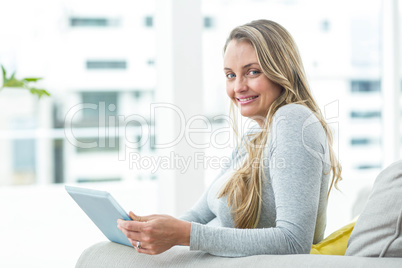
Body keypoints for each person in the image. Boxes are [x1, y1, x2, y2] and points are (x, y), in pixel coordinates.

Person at [117, 19, 342, 257]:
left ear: (282, 70)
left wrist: (184, 235)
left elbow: (293, 241)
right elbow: (198, 216)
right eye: (230, 75)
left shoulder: (294, 120)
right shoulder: (253, 136)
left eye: (252, 72)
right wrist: (153, 232)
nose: (238, 87)